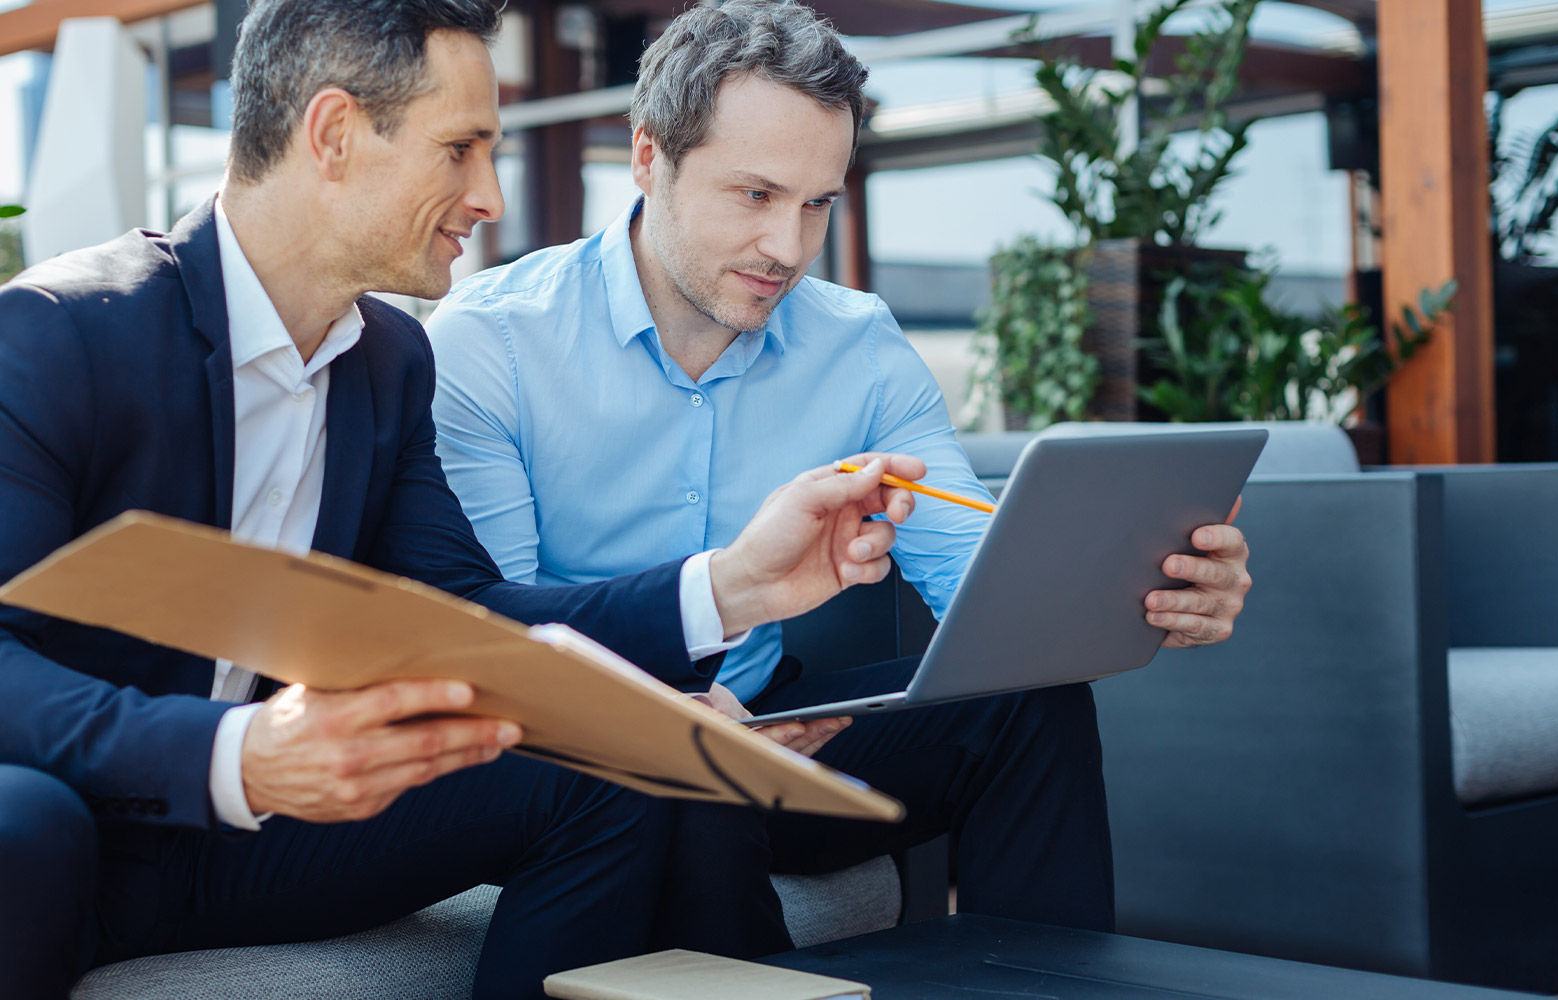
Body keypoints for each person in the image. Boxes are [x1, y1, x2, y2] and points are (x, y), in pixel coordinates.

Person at [0, 3, 926, 998]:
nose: (488, 195)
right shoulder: (59, 336)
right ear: (334, 136)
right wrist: (236, 756)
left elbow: (467, 615)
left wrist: (734, 587)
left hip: (264, 834)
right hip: (85, 822)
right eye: (459, 150)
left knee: (606, 769)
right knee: (22, 819)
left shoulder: (389, 362)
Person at [428, 0, 1253, 959]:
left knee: (1031, 703)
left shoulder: (858, 345)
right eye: (756, 195)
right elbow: (502, 635)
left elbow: (986, 590)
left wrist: (1146, 589)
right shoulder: (492, 344)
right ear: (649, 159)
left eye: (819, 202)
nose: (789, 245)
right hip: (585, 761)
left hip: (778, 725)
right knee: (682, 773)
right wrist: (684, 724)